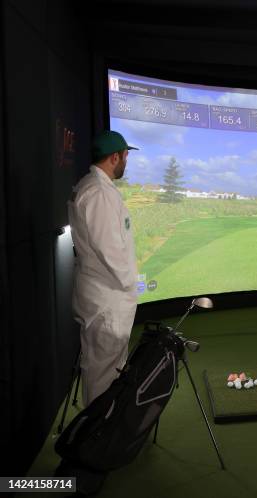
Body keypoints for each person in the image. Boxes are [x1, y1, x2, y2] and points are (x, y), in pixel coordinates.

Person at [68, 130, 139, 406]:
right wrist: (131, 283)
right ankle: (96, 439)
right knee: (102, 375)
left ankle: (104, 432)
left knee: (108, 368)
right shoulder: (98, 193)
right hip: (107, 299)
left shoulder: (97, 188)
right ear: (114, 157)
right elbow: (110, 251)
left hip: (105, 295)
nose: (126, 162)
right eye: (125, 156)